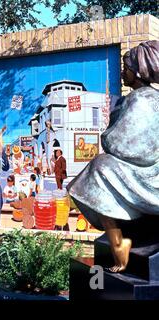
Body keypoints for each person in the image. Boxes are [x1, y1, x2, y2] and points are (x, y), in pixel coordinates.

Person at [67, 40, 159, 273]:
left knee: (98, 169)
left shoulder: (141, 99)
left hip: (148, 175)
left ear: (137, 71)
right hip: (148, 171)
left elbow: (123, 145)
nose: (122, 71)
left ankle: (119, 244)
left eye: (126, 67)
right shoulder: (149, 98)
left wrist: (107, 135)